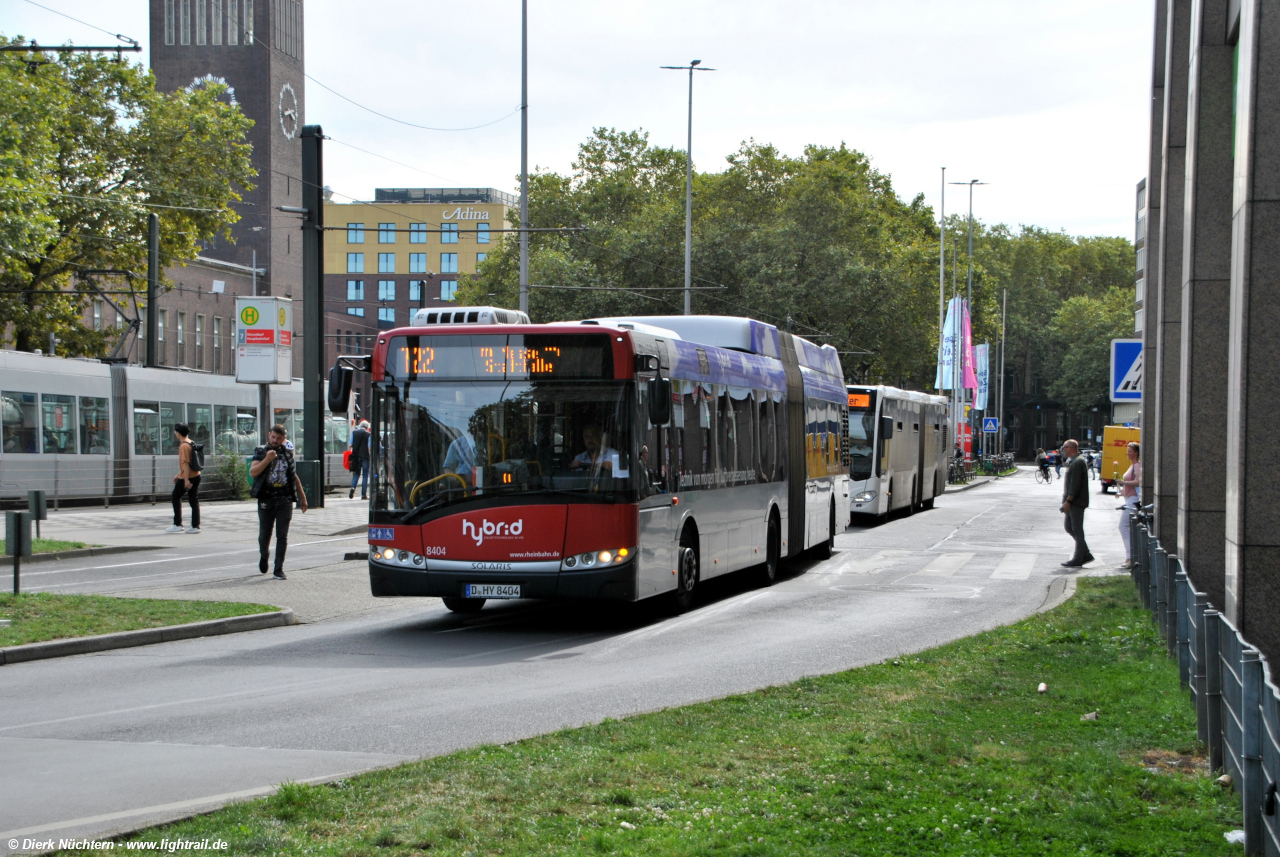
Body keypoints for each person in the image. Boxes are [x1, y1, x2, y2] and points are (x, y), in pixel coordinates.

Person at [249, 424, 308, 579]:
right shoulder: (261, 451)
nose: (275, 440)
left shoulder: (287, 454)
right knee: (265, 534)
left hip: (284, 499)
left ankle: (278, 569)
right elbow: (253, 472)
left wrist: (302, 497)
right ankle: (264, 555)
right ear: (269, 435)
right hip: (266, 498)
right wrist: (267, 459)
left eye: (278, 438)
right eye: (273, 437)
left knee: (282, 535)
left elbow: (294, 476)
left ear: (283, 439)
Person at [1059, 439, 1093, 567]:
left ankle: (1079, 558)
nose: (1063, 450)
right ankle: (1086, 554)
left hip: (1076, 502)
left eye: (1065, 447)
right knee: (1069, 527)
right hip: (1072, 501)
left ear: (1071, 448)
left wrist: (1068, 501)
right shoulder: (1074, 461)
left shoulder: (1078, 462)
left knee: (1077, 529)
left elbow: (1075, 484)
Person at [165, 422, 202, 534]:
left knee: (175, 497)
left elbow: (186, 463)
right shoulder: (190, 442)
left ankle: (177, 524)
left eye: (175, 431)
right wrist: (179, 474)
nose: (175, 433)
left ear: (178, 433)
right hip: (196, 475)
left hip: (188, 477)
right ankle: (195, 526)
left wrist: (185, 480)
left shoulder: (183, 446)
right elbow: (188, 464)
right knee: (193, 500)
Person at [1118, 442, 1141, 568]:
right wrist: (1122, 491)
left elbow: (1138, 481)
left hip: (1133, 499)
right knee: (1128, 527)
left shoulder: (1136, 465)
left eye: (1130, 451)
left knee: (1123, 526)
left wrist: (1124, 483)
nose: (1127, 453)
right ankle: (1131, 556)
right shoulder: (1132, 465)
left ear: (1136, 453)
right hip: (1129, 498)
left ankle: (1130, 557)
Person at [348, 419, 371, 500]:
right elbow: (369, 447)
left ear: (360, 426)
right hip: (365, 457)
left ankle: (353, 487)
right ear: (367, 427)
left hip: (356, 457)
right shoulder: (368, 434)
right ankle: (363, 495)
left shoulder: (354, 433)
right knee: (365, 475)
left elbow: (350, 445)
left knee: (356, 473)